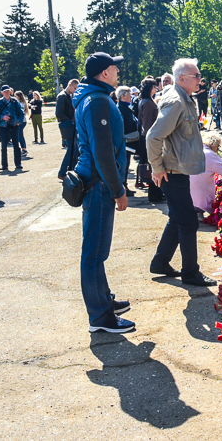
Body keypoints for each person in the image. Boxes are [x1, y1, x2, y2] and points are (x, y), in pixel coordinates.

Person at [72, 52, 133, 333]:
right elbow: (103, 152)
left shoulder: (93, 96)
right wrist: (117, 189)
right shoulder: (96, 100)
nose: (118, 71)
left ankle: (103, 301)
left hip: (96, 181)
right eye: (114, 67)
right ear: (104, 73)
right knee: (95, 252)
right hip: (98, 184)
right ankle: (100, 317)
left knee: (97, 249)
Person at [146, 58, 213, 286]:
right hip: (171, 172)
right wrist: (156, 168)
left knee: (177, 218)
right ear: (182, 78)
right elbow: (153, 136)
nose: (199, 80)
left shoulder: (184, 98)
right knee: (188, 222)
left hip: (177, 170)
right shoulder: (176, 101)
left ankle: (160, 263)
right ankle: (190, 273)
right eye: (196, 76)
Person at [137, 79, 163, 201]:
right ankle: (155, 195)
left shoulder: (144, 101)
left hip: (147, 137)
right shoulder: (147, 103)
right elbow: (147, 124)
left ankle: (156, 193)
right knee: (154, 166)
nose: (156, 88)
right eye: (154, 86)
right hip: (150, 138)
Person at [115, 86, 138, 198]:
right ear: (123, 96)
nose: (131, 97)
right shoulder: (120, 109)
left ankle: (124, 186)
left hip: (129, 141)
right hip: (124, 141)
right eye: (129, 95)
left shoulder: (126, 107)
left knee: (126, 164)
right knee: (123, 165)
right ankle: (122, 187)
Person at [0, 86, 23, 172]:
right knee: (4, 146)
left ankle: (18, 164)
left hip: (14, 125)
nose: (6, 93)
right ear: (2, 93)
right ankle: (4, 165)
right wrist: (2, 117)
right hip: (3, 126)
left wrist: (19, 121)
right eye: (5, 92)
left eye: (8, 91)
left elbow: (21, 112)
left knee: (16, 145)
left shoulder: (15, 101)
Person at [56, 79, 78, 178]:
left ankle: (71, 170)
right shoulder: (62, 96)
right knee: (71, 150)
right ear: (69, 85)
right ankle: (62, 172)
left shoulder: (68, 96)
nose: (75, 90)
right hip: (67, 126)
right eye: (74, 88)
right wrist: (70, 120)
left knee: (74, 150)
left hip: (70, 125)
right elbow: (59, 113)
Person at [16, 90, 30, 157]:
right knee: (20, 135)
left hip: (21, 121)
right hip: (23, 121)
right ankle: (23, 148)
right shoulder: (22, 103)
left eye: (16, 96)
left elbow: (20, 113)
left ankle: (24, 149)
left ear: (18, 96)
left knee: (19, 135)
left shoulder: (21, 104)